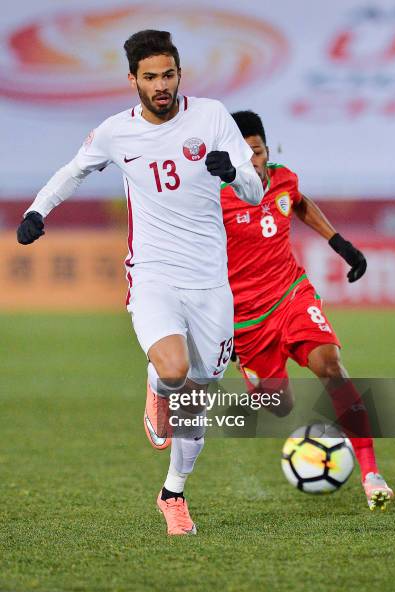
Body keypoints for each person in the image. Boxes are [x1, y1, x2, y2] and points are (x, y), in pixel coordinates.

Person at [16, 32, 263, 535]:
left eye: (168, 75)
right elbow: (72, 172)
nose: (161, 86)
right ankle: (158, 385)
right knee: (174, 371)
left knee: (201, 392)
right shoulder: (115, 132)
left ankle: (173, 493)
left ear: (180, 73)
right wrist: (38, 211)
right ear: (133, 80)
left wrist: (232, 172)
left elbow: (255, 191)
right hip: (153, 273)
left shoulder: (213, 116)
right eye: (150, 77)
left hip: (210, 281)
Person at [220, 110, 393, 510]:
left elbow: (297, 201)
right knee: (277, 405)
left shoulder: (282, 177)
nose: (254, 162)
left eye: (259, 152)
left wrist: (339, 242)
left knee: (329, 364)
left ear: (267, 149)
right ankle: (244, 373)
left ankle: (370, 473)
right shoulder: (215, 194)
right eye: (244, 155)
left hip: (290, 294)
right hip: (245, 318)